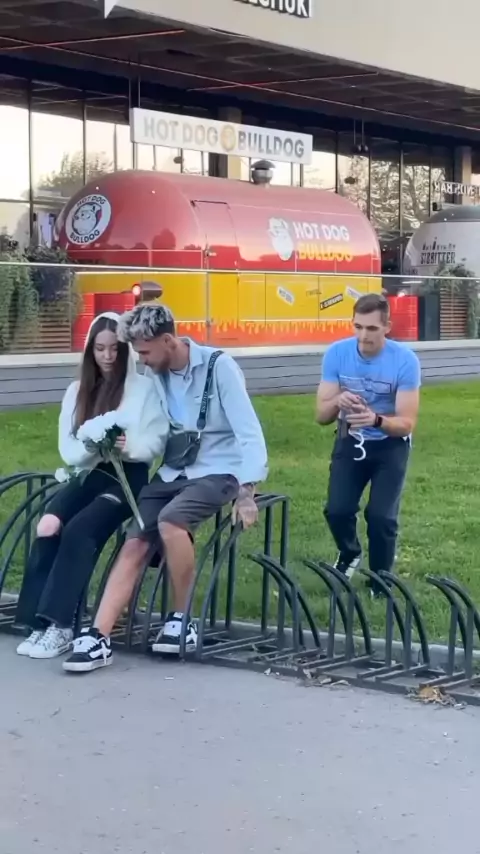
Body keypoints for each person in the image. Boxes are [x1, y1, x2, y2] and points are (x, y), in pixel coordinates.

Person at [63, 303, 268, 673]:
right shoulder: (156, 373)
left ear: (169, 341)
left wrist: (247, 491)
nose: (140, 360)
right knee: (137, 537)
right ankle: (98, 637)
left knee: (171, 521)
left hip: (220, 470)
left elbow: (249, 432)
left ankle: (181, 619)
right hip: (174, 471)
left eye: (144, 352)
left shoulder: (219, 367)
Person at [15, 311, 169, 658]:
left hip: (127, 476)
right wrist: (92, 444)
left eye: (115, 348)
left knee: (80, 529)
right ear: (90, 351)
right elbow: (68, 449)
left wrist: (126, 446)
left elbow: (155, 442)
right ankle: (37, 622)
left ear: (125, 350)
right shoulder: (77, 391)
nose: (108, 356)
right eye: (100, 349)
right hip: (90, 472)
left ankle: (61, 624)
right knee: (48, 525)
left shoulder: (143, 389)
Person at [316, 293, 421, 597]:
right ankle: (349, 553)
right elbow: (321, 416)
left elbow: (406, 423)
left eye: (372, 328)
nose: (363, 336)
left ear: (387, 327)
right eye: (358, 327)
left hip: (390, 443)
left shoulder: (405, 361)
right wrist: (338, 400)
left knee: (381, 517)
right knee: (337, 510)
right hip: (351, 439)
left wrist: (375, 420)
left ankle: (380, 580)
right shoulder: (337, 354)